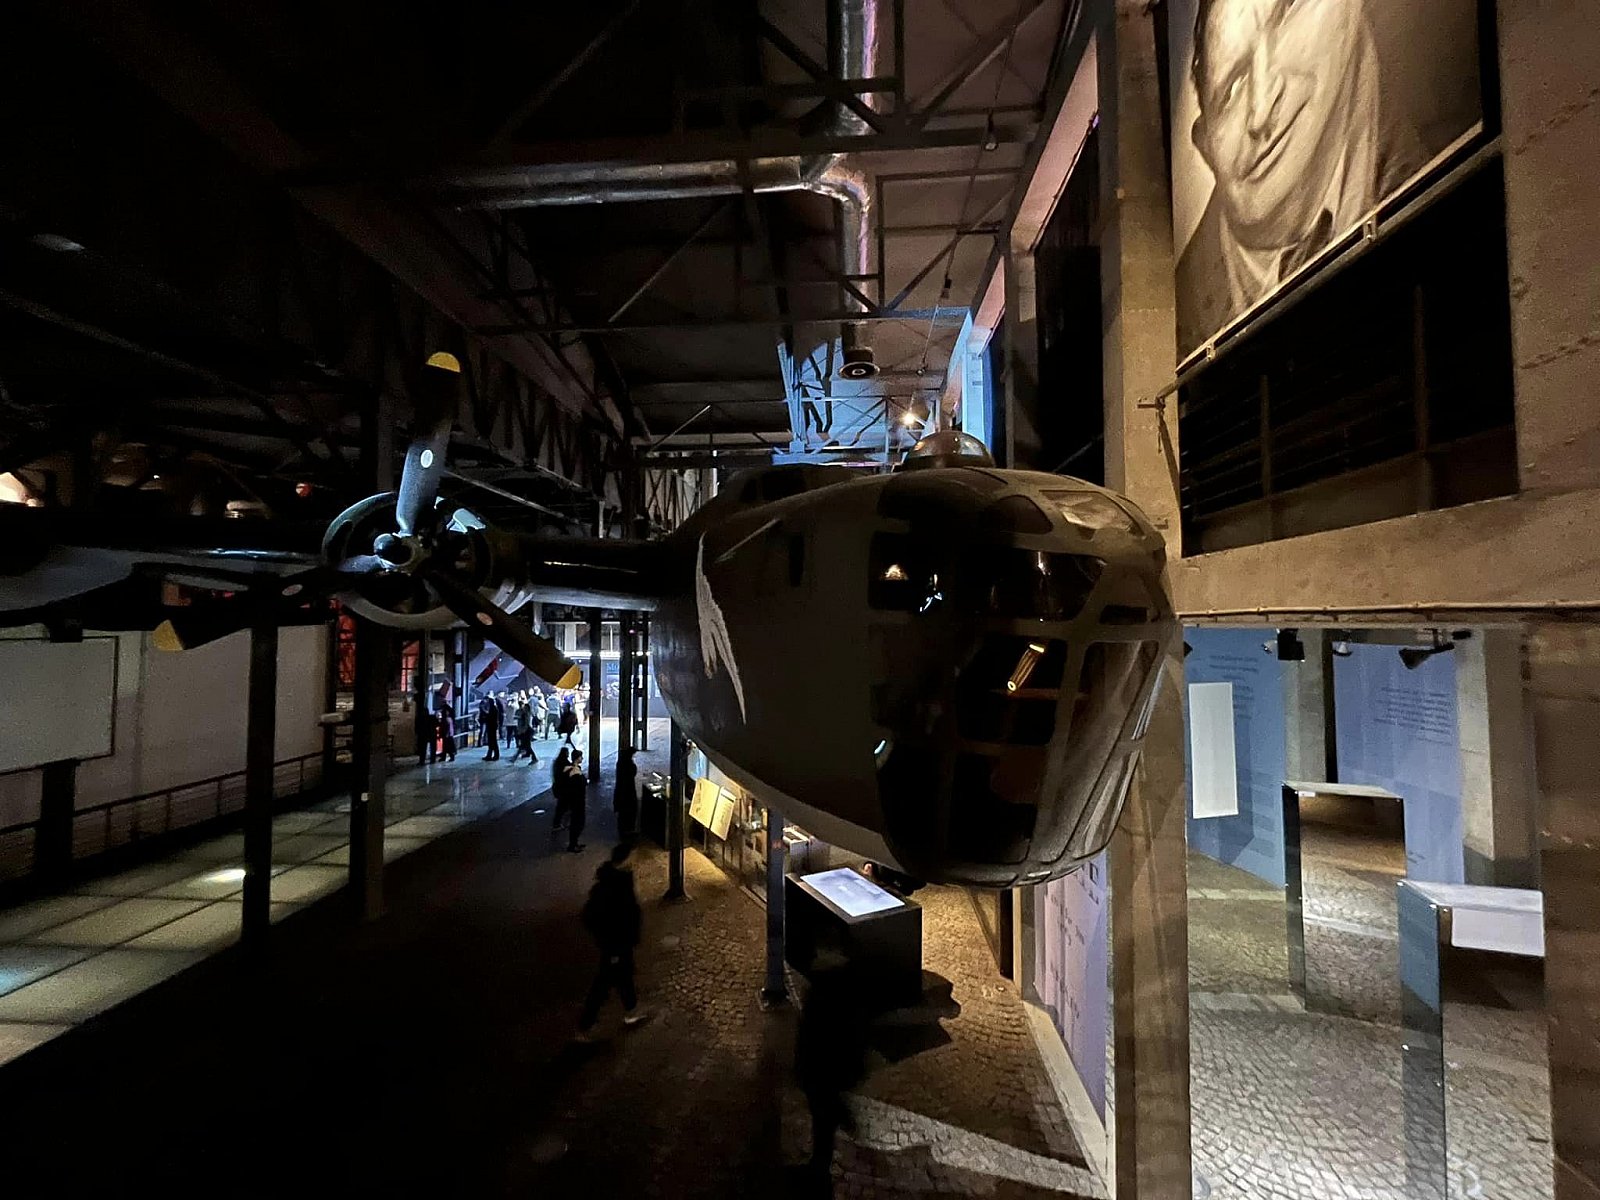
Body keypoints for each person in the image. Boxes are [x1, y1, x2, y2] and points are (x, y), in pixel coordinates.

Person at [1175, 0, 1428, 355]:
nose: (1261, 110)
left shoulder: (1440, 145)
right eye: (1231, 90)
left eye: (1285, 15)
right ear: (1205, 145)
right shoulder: (1186, 320)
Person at [795, 953, 869, 1189]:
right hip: (828, 1071)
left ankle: (819, 1169)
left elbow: (810, 1037)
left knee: (823, 1116)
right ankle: (820, 1163)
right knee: (824, 1115)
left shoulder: (821, 997)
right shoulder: (844, 994)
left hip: (821, 1071)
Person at [575, 843, 645, 1042]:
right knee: (603, 985)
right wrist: (610, 943)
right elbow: (593, 916)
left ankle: (631, 1010)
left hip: (621, 944)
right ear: (624, 860)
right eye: (633, 858)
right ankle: (584, 1027)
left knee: (624, 977)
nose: (636, 862)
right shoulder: (612, 887)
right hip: (615, 946)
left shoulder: (621, 879)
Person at [613, 747, 639, 841]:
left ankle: (623, 832)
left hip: (621, 792)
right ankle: (628, 832)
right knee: (629, 812)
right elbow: (633, 772)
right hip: (628, 792)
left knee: (622, 814)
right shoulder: (628, 764)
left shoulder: (620, 763)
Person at [565, 750, 587, 853]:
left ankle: (574, 843)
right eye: (581, 757)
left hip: (575, 801)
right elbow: (579, 786)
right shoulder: (574, 772)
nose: (582, 758)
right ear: (577, 758)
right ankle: (573, 844)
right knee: (577, 822)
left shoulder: (571, 769)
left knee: (577, 822)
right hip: (577, 801)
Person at [550, 745, 572, 833]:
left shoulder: (557, 762)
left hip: (558, 787)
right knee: (562, 806)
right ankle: (557, 824)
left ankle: (560, 823)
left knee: (562, 806)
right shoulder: (566, 763)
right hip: (564, 788)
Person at [480, 693, 501, 761]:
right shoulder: (494, 708)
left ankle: (495, 755)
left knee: (493, 741)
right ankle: (490, 755)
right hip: (492, 726)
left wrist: (484, 710)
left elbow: (490, 716)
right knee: (491, 741)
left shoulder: (493, 709)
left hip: (492, 726)